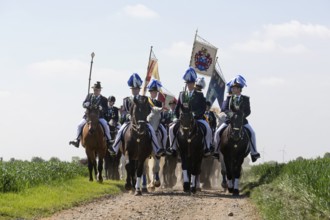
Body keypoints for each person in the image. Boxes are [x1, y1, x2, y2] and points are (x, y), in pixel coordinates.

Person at [108, 73, 165, 156]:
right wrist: (128, 116)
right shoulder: (126, 100)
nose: (135, 90)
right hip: (130, 122)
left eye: (137, 89)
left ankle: (157, 149)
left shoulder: (144, 99)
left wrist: (145, 117)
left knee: (152, 131)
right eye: (133, 89)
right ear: (131, 89)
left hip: (142, 121)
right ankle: (115, 148)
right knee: (120, 131)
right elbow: (125, 112)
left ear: (139, 89)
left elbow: (148, 110)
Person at [213, 75, 260, 162]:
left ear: (239, 89)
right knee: (217, 132)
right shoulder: (229, 98)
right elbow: (224, 108)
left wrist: (240, 116)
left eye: (235, 88)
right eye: (232, 88)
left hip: (242, 121)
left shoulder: (245, 99)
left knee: (252, 133)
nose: (233, 89)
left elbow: (248, 111)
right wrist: (232, 115)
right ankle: (216, 151)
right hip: (229, 121)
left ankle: (254, 152)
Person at [167, 67, 212, 156]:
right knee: (171, 128)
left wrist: (194, 115)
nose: (189, 85)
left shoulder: (199, 94)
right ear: (186, 83)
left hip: (197, 118)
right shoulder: (182, 94)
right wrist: (176, 117)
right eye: (188, 83)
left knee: (208, 128)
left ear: (194, 83)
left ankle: (207, 147)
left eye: (191, 83)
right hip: (183, 119)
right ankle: (173, 148)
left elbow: (202, 108)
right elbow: (177, 108)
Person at [69, 81, 112, 149]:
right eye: (95, 90)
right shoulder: (89, 96)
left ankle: (109, 141)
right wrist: (86, 104)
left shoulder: (104, 99)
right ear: (93, 90)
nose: (96, 91)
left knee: (106, 125)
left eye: (97, 90)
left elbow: (106, 109)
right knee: (79, 125)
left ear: (100, 90)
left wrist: (101, 108)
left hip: (99, 117)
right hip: (88, 116)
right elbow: (83, 104)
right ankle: (77, 140)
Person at [147, 79, 167, 152]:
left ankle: (164, 148)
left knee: (164, 132)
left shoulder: (159, 102)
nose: (154, 93)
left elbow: (161, 112)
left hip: (157, 122)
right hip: (148, 121)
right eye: (152, 92)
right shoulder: (146, 101)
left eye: (155, 92)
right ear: (150, 92)